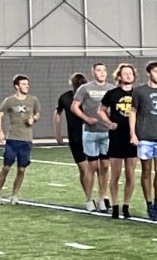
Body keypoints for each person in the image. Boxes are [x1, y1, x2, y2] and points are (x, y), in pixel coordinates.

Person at [129, 61, 157, 222]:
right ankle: (149, 205)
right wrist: (133, 133)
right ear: (149, 73)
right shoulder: (139, 91)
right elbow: (132, 112)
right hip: (145, 137)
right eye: (156, 71)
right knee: (146, 170)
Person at [71, 61, 114, 212]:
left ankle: (103, 198)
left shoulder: (111, 88)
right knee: (92, 166)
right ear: (93, 72)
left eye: (104, 70)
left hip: (106, 133)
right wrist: (86, 118)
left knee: (105, 166)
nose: (102, 73)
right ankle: (89, 199)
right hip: (90, 132)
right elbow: (74, 107)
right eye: (99, 70)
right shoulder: (85, 88)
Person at [98, 63, 138, 219]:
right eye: (125, 73)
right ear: (119, 76)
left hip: (132, 136)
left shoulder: (138, 93)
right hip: (116, 136)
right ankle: (114, 205)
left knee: (130, 174)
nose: (128, 76)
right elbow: (100, 110)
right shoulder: (112, 93)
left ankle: (126, 205)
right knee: (115, 174)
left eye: (130, 73)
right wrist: (108, 123)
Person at [0, 75, 40, 204]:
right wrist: (0, 131)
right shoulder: (9, 101)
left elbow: (37, 113)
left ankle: (14, 195)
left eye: (27, 84)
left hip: (27, 140)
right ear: (17, 86)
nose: (27, 86)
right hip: (13, 139)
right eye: (24, 84)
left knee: (21, 169)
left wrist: (33, 119)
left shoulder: (33, 100)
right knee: (6, 167)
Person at [55, 72, 88, 198]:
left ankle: (101, 197)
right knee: (85, 169)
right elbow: (57, 113)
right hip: (76, 137)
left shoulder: (89, 96)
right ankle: (90, 197)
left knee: (94, 168)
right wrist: (58, 134)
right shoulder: (65, 97)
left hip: (90, 136)